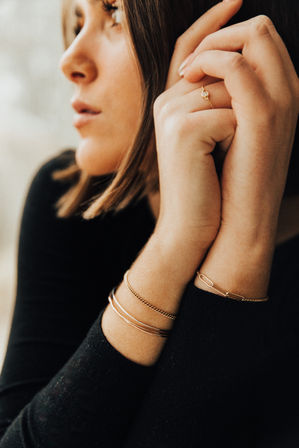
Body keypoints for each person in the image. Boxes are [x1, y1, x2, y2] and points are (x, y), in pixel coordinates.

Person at [0, 0, 298, 446]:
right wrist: (177, 240)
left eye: (116, 13)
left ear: (226, 40)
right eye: (79, 21)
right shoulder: (69, 200)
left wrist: (243, 241)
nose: (70, 61)